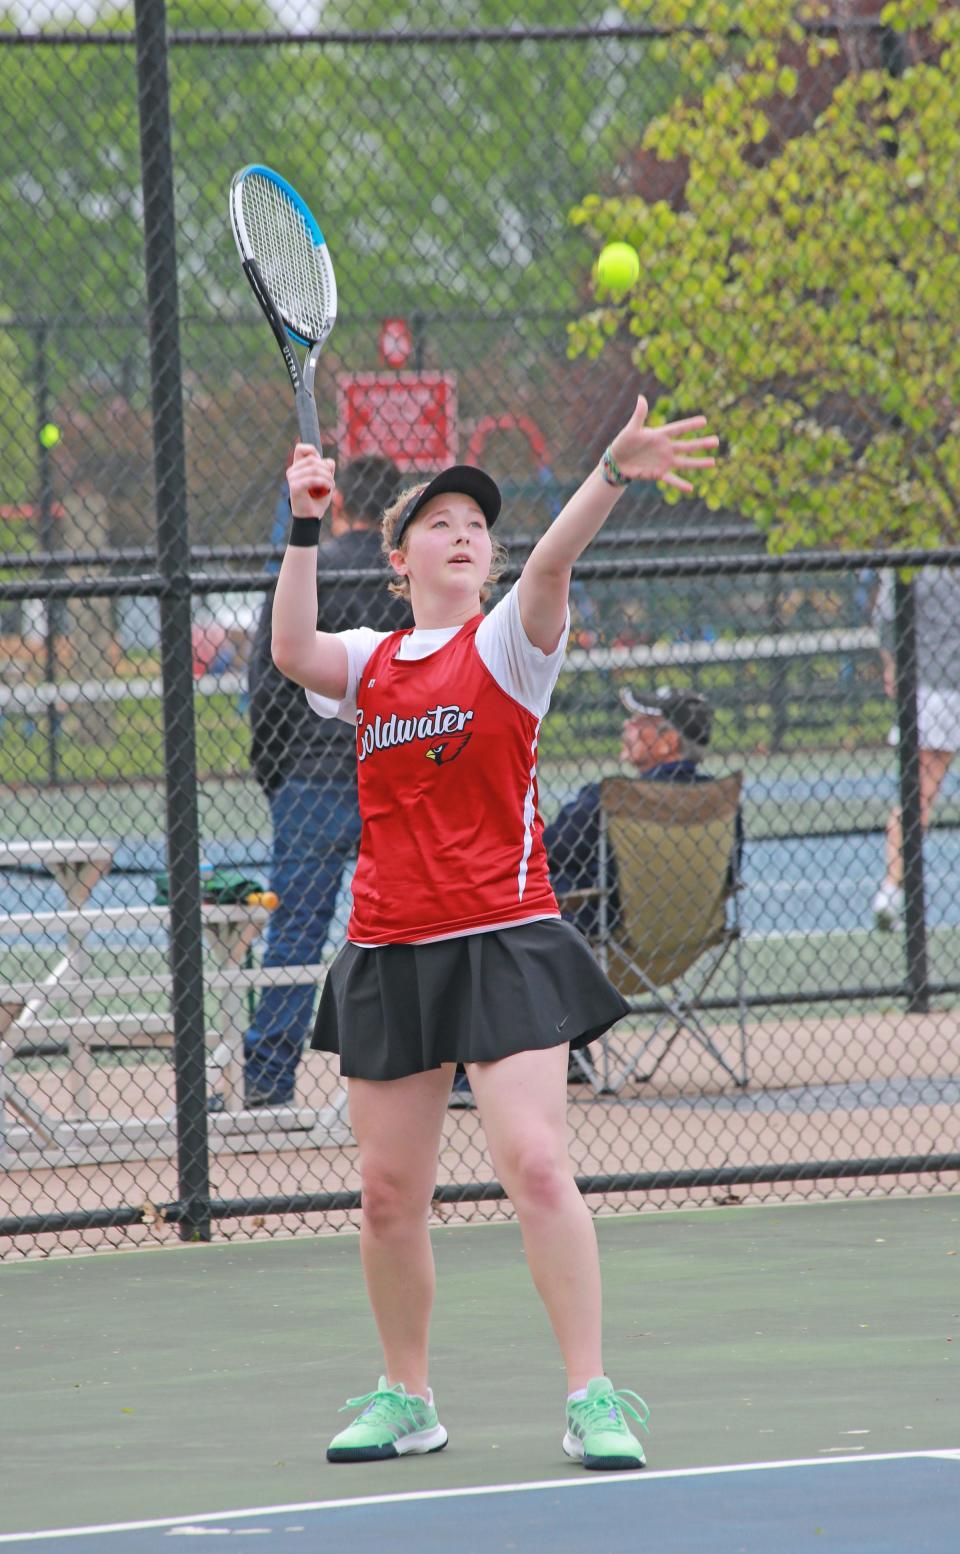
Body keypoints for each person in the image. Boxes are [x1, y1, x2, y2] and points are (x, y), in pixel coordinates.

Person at [271, 393, 717, 1470]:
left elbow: (554, 565)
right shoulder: (373, 663)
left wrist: (610, 467)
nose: (466, 533)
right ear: (401, 553)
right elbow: (291, 650)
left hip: (506, 934)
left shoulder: (512, 644)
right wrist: (298, 523)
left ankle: (592, 1396)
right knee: (387, 1197)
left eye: (478, 525)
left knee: (535, 1162)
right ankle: (406, 1396)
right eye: (441, 521)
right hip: (388, 946)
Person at [239, 455, 407, 1109]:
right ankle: (435, 1069)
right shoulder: (406, 580)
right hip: (389, 775)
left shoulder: (309, 568)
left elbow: (268, 680)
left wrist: (276, 770)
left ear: (338, 506)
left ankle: (270, 1079)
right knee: (412, 926)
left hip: (309, 775)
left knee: (296, 933)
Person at [544, 685, 743, 943]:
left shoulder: (611, 799)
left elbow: (546, 851)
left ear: (668, 743)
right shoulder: (722, 800)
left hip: (608, 939)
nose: (628, 725)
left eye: (640, 722)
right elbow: (729, 876)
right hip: (692, 939)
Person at [871, 567, 960, 931]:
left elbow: (884, 619)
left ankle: (891, 890)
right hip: (936, 688)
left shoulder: (910, 559)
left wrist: (891, 665)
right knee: (919, 794)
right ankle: (892, 893)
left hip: (931, 690)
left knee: (917, 796)